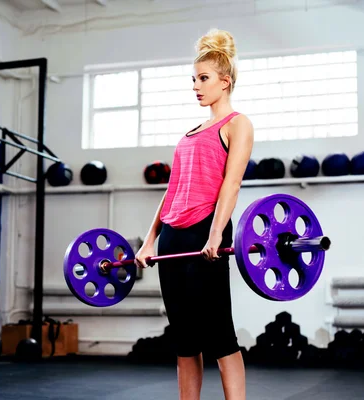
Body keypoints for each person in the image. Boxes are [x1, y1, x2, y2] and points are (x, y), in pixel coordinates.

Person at [134, 28, 254, 400]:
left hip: (206, 232)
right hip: (173, 237)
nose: (196, 87)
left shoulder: (237, 125)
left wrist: (217, 234)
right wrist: (150, 239)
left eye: (203, 79)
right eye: (194, 79)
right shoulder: (188, 134)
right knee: (184, 339)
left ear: (225, 81)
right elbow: (170, 192)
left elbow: (230, 185)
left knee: (219, 334)